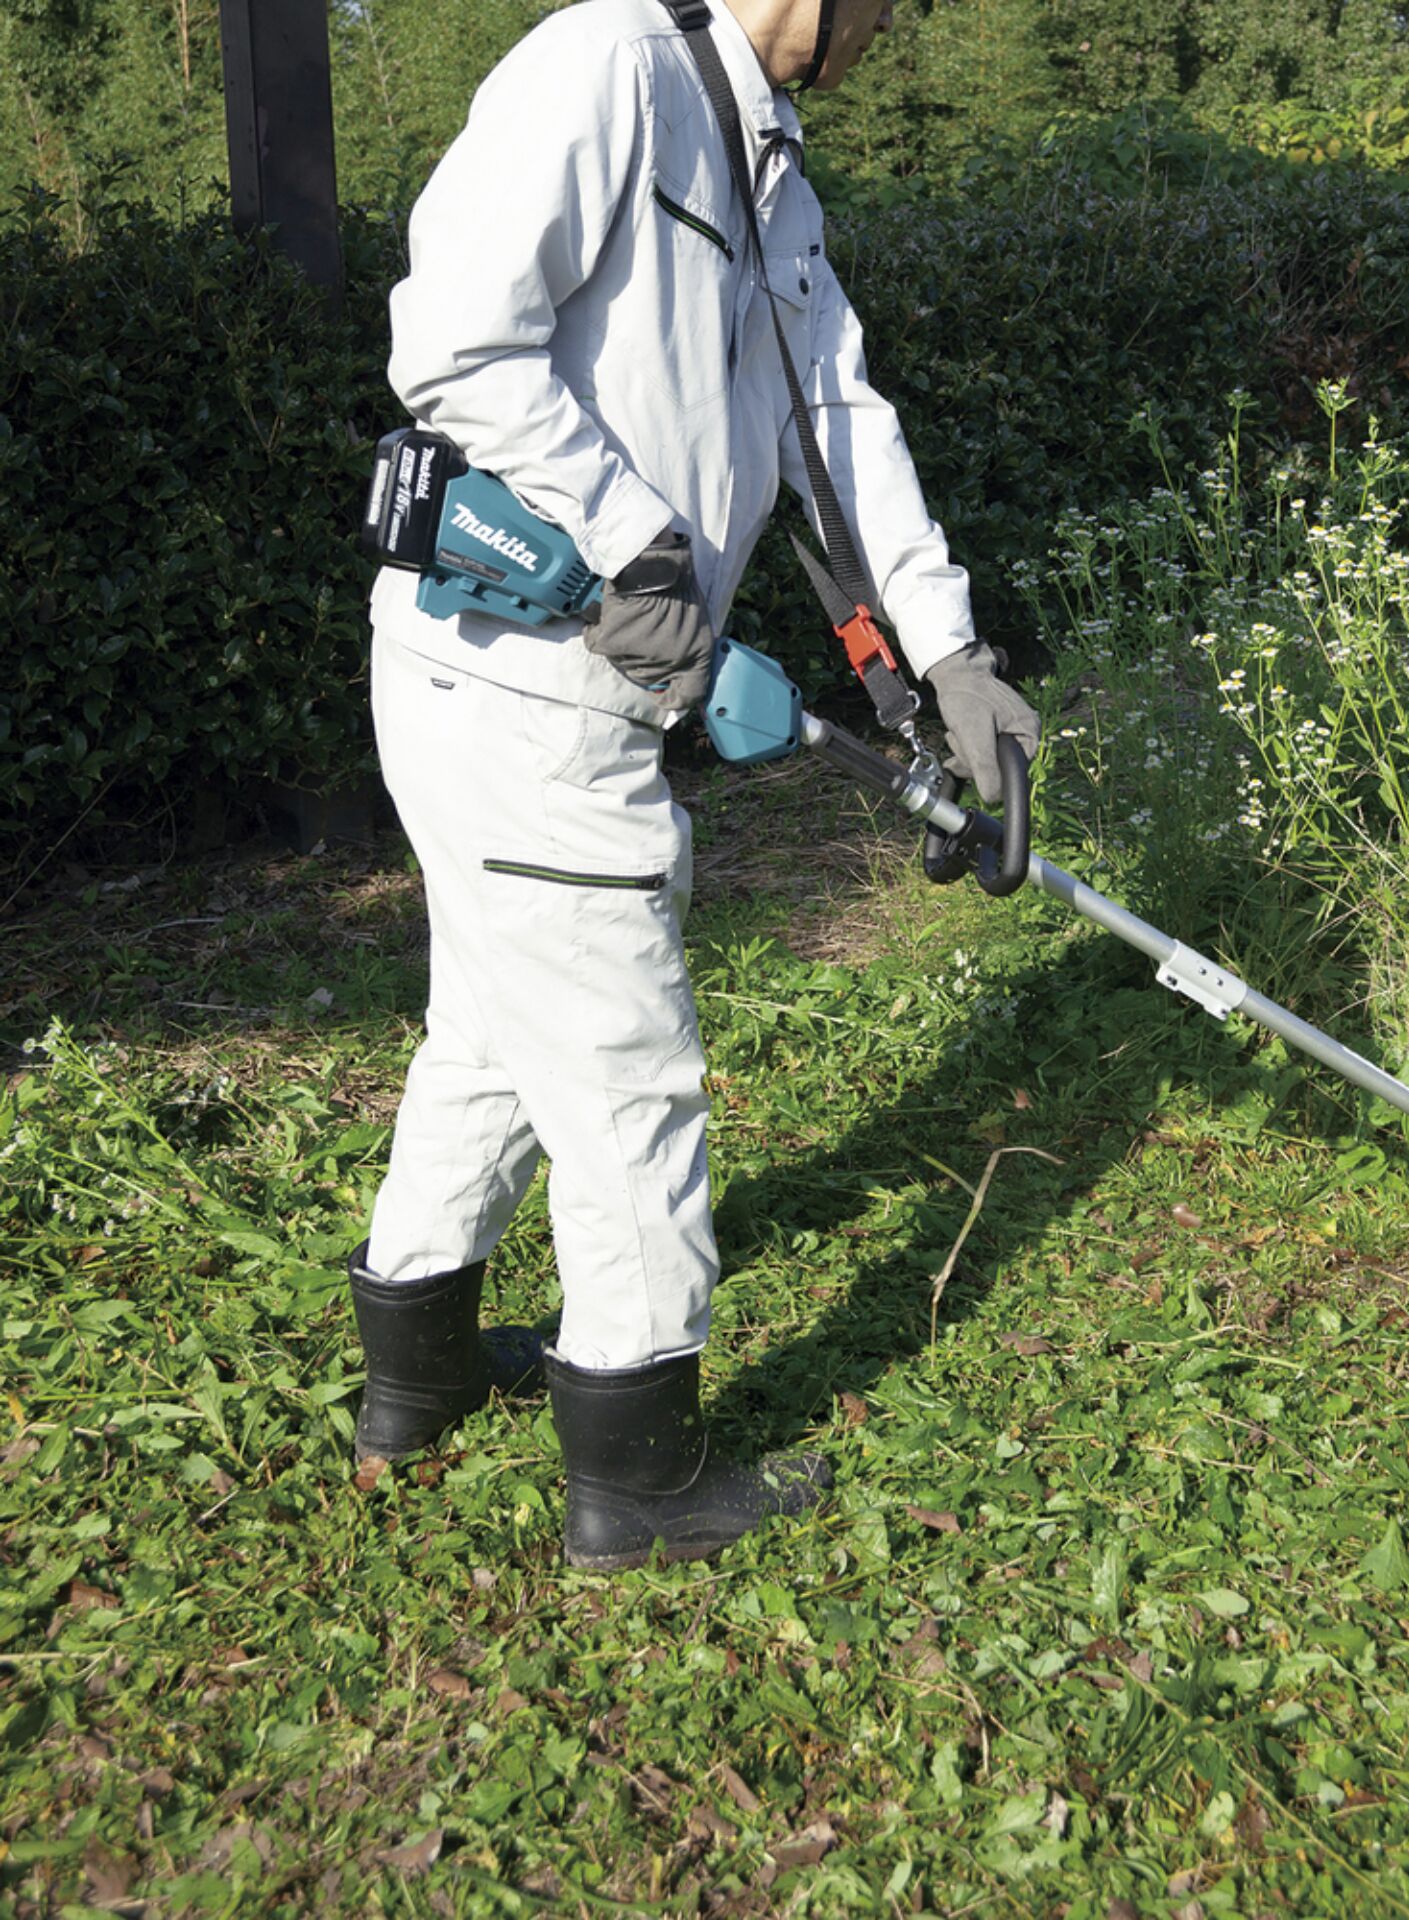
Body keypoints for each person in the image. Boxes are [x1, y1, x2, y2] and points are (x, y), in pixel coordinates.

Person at [348, 0, 1040, 1569]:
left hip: (550, 689)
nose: (895, 30)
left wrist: (946, 656)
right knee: (625, 1068)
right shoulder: (608, 64)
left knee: (496, 1023)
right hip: (529, 681)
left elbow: (836, 418)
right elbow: (451, 337)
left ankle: (417, 1372)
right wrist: (629, 543)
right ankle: (641, 1473)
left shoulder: (763, 153)